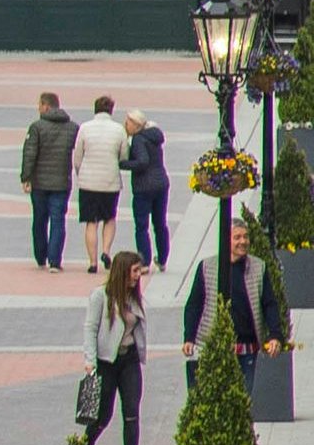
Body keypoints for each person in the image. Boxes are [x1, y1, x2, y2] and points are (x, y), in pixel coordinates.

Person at [184, 218, 284, 389]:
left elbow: (269, 304)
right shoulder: (207, 267)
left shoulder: (259, 267)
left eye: (245, 237)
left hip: (248, 350)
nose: (243, 241)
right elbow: (194, 304)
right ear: (226, 240)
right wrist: (189, 337)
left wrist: (275, 334)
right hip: (214, 350)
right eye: (237, 237)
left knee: (245, 397)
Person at [84, 253, 154, 445]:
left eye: (139, 270)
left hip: (129, 358)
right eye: (134, 270)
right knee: (103, 414)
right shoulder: (100, 296)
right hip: (106, 362)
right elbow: (90, 328)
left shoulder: (133, 297)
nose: (138, 275)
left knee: (132, 410)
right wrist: (90, 360)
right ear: (122, 271)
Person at [20, 92, 77, 272]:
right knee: (58, 220)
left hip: (39, 183)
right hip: (62, 182)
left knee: (39, 219)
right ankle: (55, 260)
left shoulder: (37, 127)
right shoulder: (72, 128)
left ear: (46, 106)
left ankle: (40, 257)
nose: (38, 108)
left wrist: (26, 177)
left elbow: (29, 154)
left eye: (39, 104)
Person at [74, 94, 129, 274]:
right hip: (110, 181)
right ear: (111, 110)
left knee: (91, 222)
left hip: (88, 182)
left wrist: (80, 173)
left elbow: (77, 156)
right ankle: (106, 251)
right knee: (109, 218)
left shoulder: (85, 128)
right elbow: (124, 155)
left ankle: (92, 262)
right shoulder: (119, 129)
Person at [122, 109, 170, 271]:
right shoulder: (154, 137)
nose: (125, 125)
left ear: (136, 125)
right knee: (160, 223)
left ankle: (144, 261)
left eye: (128, 122)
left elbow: (142, 161)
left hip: (144, 186)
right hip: (161, 182)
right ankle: (162, 258)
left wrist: (123, 164)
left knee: (141, 225)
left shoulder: (138, 139)